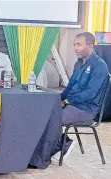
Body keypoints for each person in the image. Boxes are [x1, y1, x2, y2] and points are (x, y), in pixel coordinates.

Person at [52, 32, 109, 161]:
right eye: (74, 45)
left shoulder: (100, 66)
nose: (75, 48)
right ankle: (52, 147)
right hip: (72, 105)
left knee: (53, 117)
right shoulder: (78, 64)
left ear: (90, 46)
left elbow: (91, 93)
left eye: (79, 44)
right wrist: (57, 98)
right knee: (46, 111)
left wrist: (67, 101)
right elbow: (70, 87)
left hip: (87, 110)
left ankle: (65, 144)